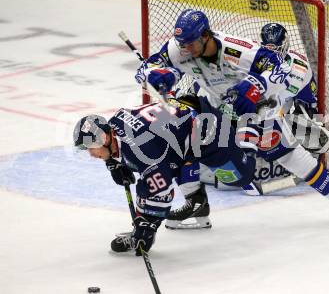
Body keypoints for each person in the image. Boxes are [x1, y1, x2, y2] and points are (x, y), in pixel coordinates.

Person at [135, 10, 329, 227]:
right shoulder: (178, 48)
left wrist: (255, 85)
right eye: (182, 44)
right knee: (181, 132)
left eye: (190, 43)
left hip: (260, 111)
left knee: (294, 159)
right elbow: (146, 67)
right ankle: (197, 203)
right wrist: (155, 75)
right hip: (217, 111)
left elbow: (279, 66)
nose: (185, 49)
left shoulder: (239, 50)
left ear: (206, 35)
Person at [73, 95, 259, 254]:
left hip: (211, 133)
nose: (90, 153)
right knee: (174, 159)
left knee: (240, 177)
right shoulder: (113, 124)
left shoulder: (141, 150)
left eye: (90, 147)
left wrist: (147, 225)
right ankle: (197, 202)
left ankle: (250, 132)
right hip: (185, 128)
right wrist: (113, 162)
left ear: (104, 138)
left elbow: (162, 191)